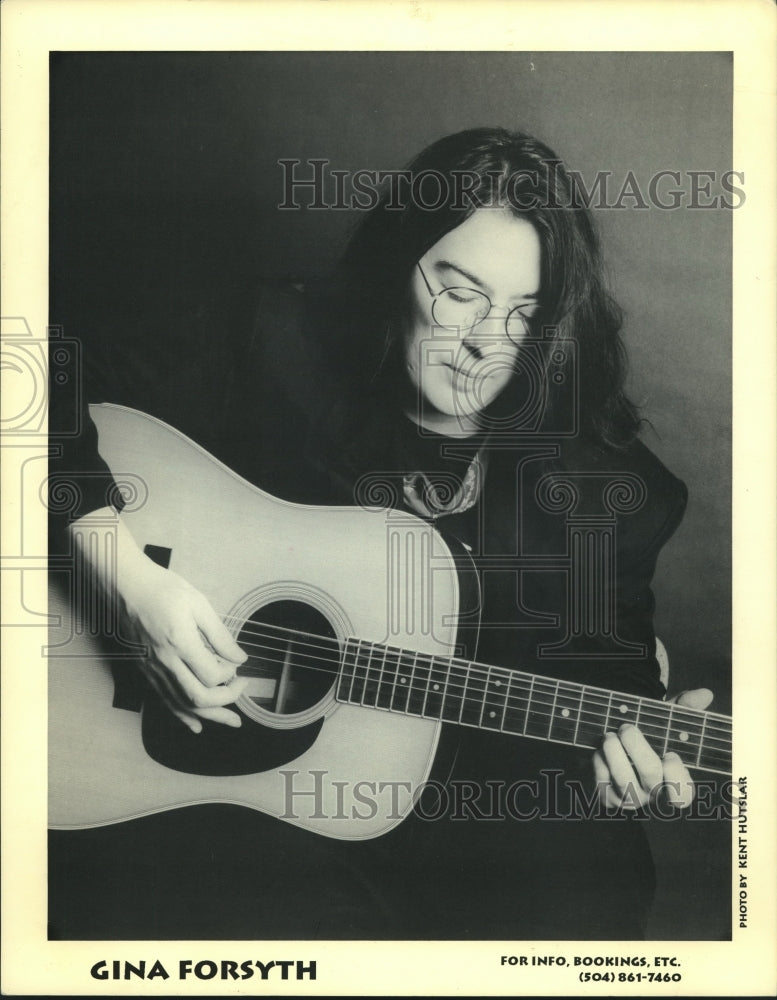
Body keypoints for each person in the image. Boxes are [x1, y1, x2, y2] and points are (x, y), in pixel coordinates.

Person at [48, 126, 714, 940]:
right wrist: (127, 579)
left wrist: (630, 766)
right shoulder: (272, 340)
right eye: (459, 291)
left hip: (461, 825)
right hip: (246, 805)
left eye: (524, 312)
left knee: (590, 892)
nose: (483, 342)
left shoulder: (612, 490)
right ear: (399, 261)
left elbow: (609, 682)